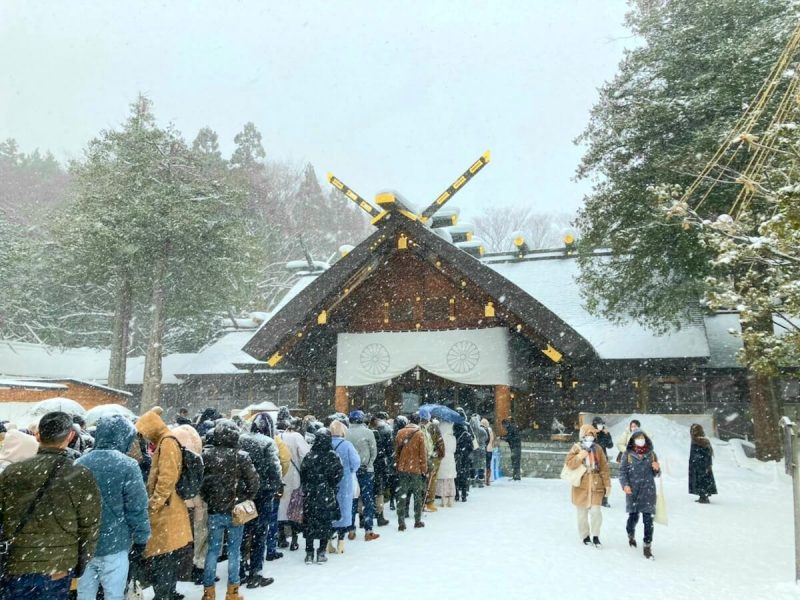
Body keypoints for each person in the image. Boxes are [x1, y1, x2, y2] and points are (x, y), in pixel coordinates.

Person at [0, 411, 101, 600]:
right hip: (58, 568)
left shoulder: (12, 473)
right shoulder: (80, 475)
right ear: (70, 436)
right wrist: (79, 563)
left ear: (38, 435)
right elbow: (90, 526)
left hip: (17, 564)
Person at [76, 415, 150, 600]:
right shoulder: (128, 465)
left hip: (85, 544)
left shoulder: (80, 463)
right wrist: (141, 538)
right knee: (114, 594)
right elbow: (137, 507)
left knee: (85, 594)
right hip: (115, 543)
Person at [135, 408, 193, 600]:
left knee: (164, 557)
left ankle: (163, 595)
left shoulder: (167, 442)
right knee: (169, 555)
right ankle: (168, 592)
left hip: (167, 510)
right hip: (171, 507)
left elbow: (167, 478)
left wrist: (154, 503)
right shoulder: (166, 441)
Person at [200, 419, 259, 600]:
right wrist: (246, 497)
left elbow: (202, 483)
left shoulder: (207, 455)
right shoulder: (241, 456)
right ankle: (232, 591)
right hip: (236, 510)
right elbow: (254, 482)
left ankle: (208, 592)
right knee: (235, 551)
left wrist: (209, 498)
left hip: (214, 510)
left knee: (212, 551)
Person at [238, 413, 282, 588]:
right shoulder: (268, 443)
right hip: (263, 493)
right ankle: (256, 573)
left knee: (242, 532)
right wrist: (275, 486)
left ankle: (240, 571)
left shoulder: (241, 440)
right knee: (260, 533)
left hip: (243, 494)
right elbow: (275, 468)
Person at [300, 428, 344, 564]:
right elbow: (338, 475)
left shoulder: (309, 455)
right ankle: (321, 552)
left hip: (310, 493)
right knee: (325, 522)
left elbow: (303, 473)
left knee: (310, 522)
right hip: (326, 493)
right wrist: (330, 484)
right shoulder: (333, 456)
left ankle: (308, 553)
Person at [564, 424, 611, 547]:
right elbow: (569, 463)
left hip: (596, 484)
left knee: (596, 512)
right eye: (587, 435)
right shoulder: (576, 448)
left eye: (592, 435)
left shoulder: (598, 449)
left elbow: (604, 468)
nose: (589, 437)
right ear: (582, 436)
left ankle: (595, 535)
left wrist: (607, 484)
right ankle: (585, 536)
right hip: (581, 484)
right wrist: (580, 456)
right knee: (582, 514)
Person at [619, 429, 660, 559]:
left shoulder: (651, 454)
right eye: (638, 438)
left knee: (649, 521)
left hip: (648, 491)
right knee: (633, 518)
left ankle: (647, 547)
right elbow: (622, 472)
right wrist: (625, 485)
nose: (641, 441)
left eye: (643, 438)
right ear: (633, 440)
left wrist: (657, 469)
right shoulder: (628, 454)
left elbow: (657, 473)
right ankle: (630, 534)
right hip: (633, 492)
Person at [345, 409, 380, 541]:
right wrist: (369, 463)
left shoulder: (346, 433)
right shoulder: (368, 432)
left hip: (351, 472)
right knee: (368, 500)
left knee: (352, 500)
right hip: (366, 470)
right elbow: (374, 451)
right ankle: (368, 530)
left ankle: (351, 529)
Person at [277, 417, 310, 551]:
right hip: (294, 476)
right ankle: (294, 539)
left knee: (280, 506)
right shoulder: (297, 437)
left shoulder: (278, 436)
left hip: (281, 475)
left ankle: (281, 537)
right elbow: (305, 455)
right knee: (295, 507)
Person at [329, 418, 360, 554]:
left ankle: (328, 541)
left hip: (329, 481)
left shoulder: (326, 443)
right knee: (344, 509)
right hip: (344, 480)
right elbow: (356, 462)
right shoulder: (347, 445)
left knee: (330, 507)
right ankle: (341, 541)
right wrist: (349, 470)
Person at [395, 412, 429, 530]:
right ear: (418, 421)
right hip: (416, 469)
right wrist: (424, 469)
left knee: (402, 495)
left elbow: (397, 452)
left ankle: (401, 522)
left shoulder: (400, 432)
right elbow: (422, 454)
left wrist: (398, 465)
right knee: (417, 496)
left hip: (403, 468)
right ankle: (417, 520)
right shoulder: (419, 434)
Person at [369, 414, 392, 526]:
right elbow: (388, 450)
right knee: (379, 491)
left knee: (368, 491)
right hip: (379, 466)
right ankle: (380, 515)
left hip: (368, 466)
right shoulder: (384, 432)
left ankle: (366, 514)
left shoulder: (368, 433)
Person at [421, 409, 444, 512]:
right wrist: (441, 454)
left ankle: (421, 502)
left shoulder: (417, 427)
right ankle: (429, 502)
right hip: (432, 457)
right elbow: (440, 442)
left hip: (420, 458)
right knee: (432, 479)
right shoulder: (434, 427)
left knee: (422, 480)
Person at [689, 423, 717, 504]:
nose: (692, 432)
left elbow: (708, 454)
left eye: (694, 430)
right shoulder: (698, 440)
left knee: (702, 480)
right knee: (700, 480)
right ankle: (702, 496)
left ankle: (704, 497)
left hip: (701, 465)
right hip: (698, 465)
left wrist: (706, 464)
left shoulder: (701, 441)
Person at [592, 416, 614, 506]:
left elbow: (610, 445)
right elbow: (594, 445)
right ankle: (593, 497)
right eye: (599, 424)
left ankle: (604, 500)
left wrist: (607, 435)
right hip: (592, 458)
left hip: (603, 458)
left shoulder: (604, 433)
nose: (600, 426)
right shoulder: (591, 433)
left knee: (605, 478)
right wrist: (594, 433)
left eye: (601, 424)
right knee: (593, 478)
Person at [453, 409, 474, 500]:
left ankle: (456, 493)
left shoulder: (453, 427)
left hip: (455, 454)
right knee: (464, 474)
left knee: (455, 474)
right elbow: (472, 440)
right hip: (465, 455)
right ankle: (464, 494)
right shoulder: (467, 426)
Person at [436, 419, 457, 507]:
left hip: (442, 459)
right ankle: (451, 501)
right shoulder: (453, 437)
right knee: (450, 481)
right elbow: (454, 450)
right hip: (451, 459)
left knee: (443, 481)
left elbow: (438, 449)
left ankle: (443, 501)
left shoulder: (440, 438)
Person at [469, 413, 488, 488]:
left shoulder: (469, 430)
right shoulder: (482, 430)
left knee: (472, 466)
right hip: (481, 450)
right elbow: (486, 438)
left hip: (473, 450)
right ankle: (480, 481)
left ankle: (472, 481)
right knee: (481, 466)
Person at [480, 418, 495, 486]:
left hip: (482, 449)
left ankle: (481, 479)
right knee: (488, 465)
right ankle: (488, 480)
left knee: (482, 464)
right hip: (489, 449)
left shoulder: (480, 430)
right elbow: (492, 439)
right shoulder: (490, 430)